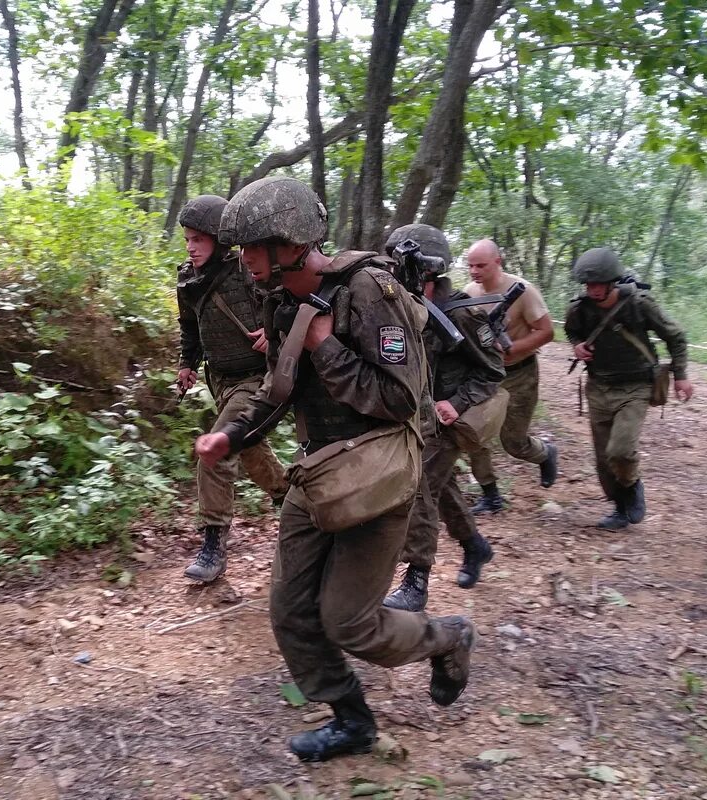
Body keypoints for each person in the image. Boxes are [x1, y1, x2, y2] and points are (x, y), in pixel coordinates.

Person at [194, 177, 476, 763]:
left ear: (291, 245)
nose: (243, 261)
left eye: (252, 248)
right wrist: (232, 434)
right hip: (318, 471)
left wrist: (327, 344)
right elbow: (277, 388)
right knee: (291, 611)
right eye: (240, 249)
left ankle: (449, 637)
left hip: (378, 476)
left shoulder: (368, 292)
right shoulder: (278, 301)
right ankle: (351, 719)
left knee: (351, 622)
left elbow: (401, 401)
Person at [380, 224, 504, 609]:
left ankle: (416, 578)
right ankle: (474, 545)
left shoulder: (461, 314)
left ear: (427, 270)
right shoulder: (400, 304)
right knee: (442, 487)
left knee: (418, 488)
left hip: (448, 419)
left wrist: (459, 402)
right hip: (416, 418)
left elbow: (493, 370)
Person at [175, 194, 288, 583]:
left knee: (217, 448)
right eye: (188, 239)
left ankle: (213, 544)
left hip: (258, 380)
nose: (191, 247)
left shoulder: (248, 268)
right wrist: (187, 363)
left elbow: (288, 306)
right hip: (220, 380)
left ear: (220, 240)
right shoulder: (187, 278)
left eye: (199, 239)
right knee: (248, 444)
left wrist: (273, 336)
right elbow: (189, 326)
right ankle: (289, 495)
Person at [563, 247, 694, 530]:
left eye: (598, 284)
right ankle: (620, 507)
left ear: (612, 281)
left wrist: (681, 375)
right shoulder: (579, 309)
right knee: (602, 459)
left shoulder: (639, 304)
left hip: (636, 386)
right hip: (599, 387)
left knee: (620, 450)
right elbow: (572, 330)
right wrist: (577, 345)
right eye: (588, 284)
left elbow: (675, 336)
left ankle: (632, 486)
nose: (593, 290)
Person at [461, 239, 558, 513]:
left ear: (497, 262)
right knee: (472, 432)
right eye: (470, 265)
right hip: (484, 375)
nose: (474, 271)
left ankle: (544, 453)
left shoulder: (523, 291)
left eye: (481, 265)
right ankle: (490, 494)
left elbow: (546, 331)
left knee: (513, 442)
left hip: (519, 374)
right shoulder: (470, 292)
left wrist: (513, 349)